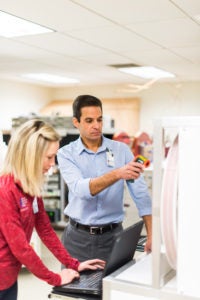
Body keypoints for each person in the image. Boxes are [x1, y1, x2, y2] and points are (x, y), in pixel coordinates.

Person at [0, 119, 105, 300]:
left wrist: (73, 264)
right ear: (30, 156)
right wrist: (55, 278)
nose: (53, 163)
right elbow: (21, 249)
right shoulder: (5, 191)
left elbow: (46, 230)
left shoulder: (29, 187)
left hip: (8, 277)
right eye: (49, 157)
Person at [57, 94, 152, 262]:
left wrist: (152, 234)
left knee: (112, 287)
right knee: (74, 286)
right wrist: (118, 173)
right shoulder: (66, 154)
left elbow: (141, 193)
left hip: (114, 237)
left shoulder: (121, 150)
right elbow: (81, 189)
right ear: (76, 122)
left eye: (99, 120)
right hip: (77, 239)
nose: (96, 126)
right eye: (89, 121)